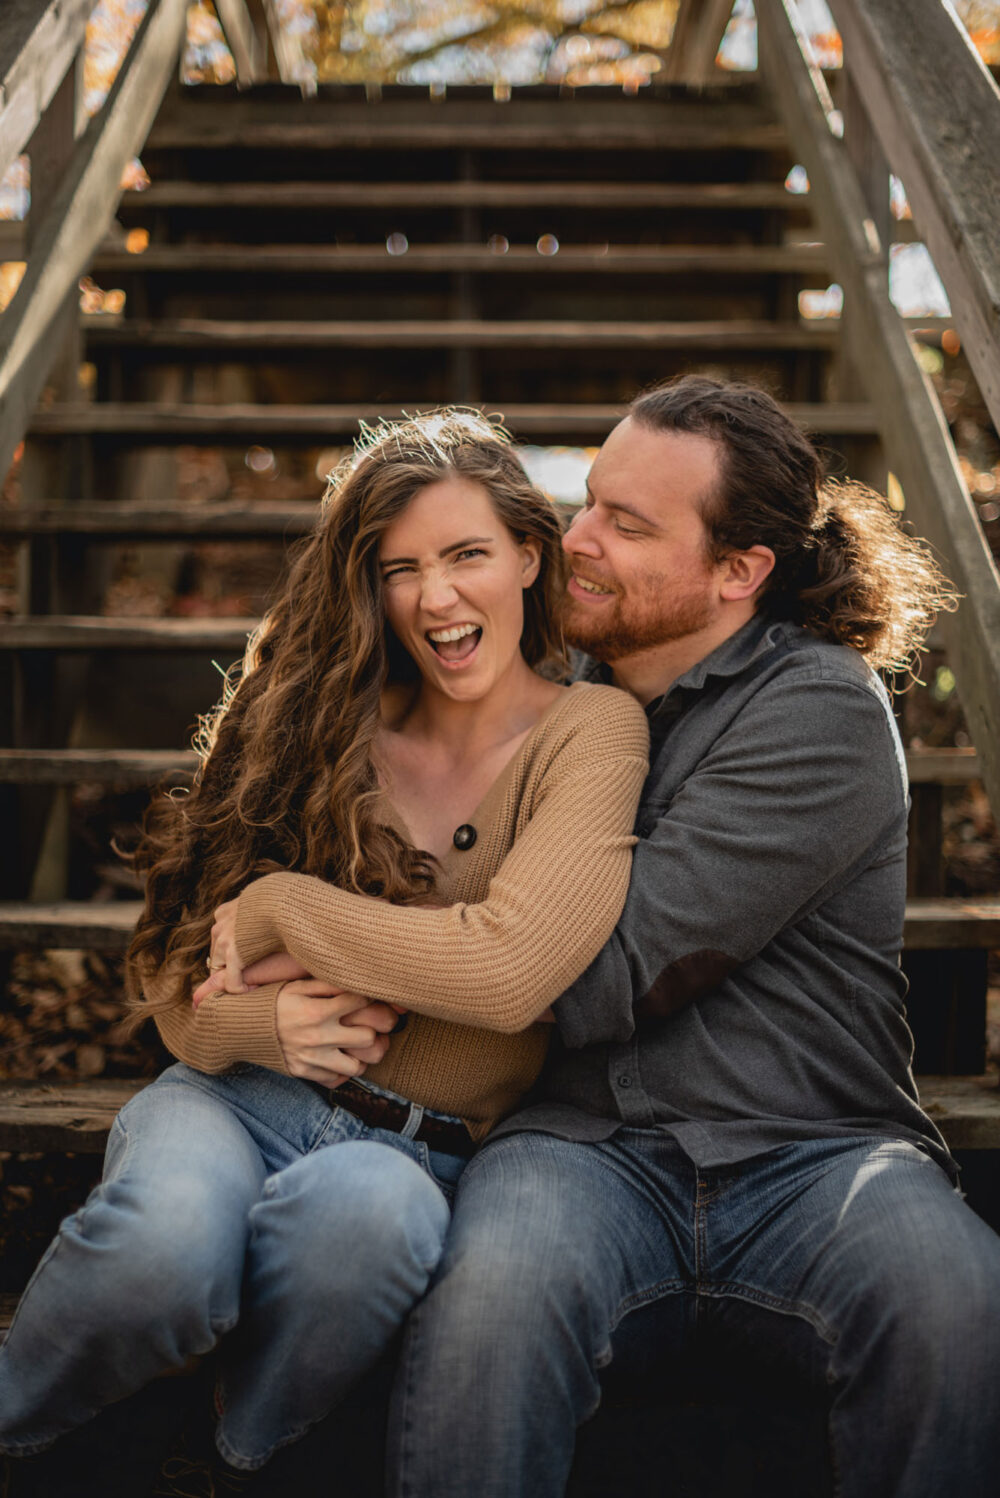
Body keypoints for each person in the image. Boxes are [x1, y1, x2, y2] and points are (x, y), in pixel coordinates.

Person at [380, 376, 1000, 1498]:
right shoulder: (538, 687)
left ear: (737, 572)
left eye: (628, 524)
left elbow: (606, 967)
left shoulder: (818, 709)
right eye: (587, 502)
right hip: (578, 1149)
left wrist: (348, 948)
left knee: (958, 1300)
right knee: (488, 1306)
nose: (577, 541)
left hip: (811, 1152)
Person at [0, 410, 649, 1475]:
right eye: (401, 569)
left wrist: (284, 911)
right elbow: (167, 964)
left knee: (366, 1230)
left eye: (468, 554)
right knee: (160, 1252)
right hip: (232, 1099)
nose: (436, 596)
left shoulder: (592, 732)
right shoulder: (310, 708)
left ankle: (239, 1451)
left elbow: (509, 970)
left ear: (530, 556)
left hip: (419, 1148)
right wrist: (261, 1021)